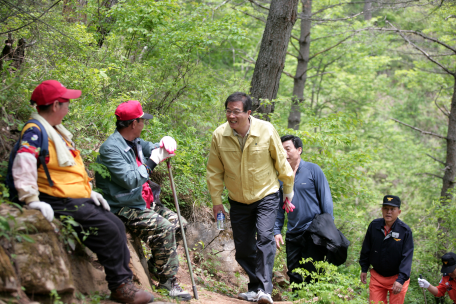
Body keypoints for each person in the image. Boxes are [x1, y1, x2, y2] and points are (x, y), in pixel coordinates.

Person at [12, 80, 154, 304]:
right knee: (108, 227)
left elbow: (70, 169)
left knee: (115, 225)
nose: (69, 106)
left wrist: (88, 191)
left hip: (73, 195)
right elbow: (24, 161)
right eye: (66, 102)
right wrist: (31, 199)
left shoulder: (56, 132)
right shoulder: (35, 130)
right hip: (57, 198)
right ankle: (120, 287)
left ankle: (124, 283)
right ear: (56, 105)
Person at [95, 100, 191, 301]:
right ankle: (168, 283)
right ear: (133, 124)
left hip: (140, 202)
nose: (144, 124)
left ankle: (155, 268)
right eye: (142, 121)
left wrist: (164, 144)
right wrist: (153, 161)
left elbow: (153, 148)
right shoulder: (111, 149)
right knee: (164, 227)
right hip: (121, 206)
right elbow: (130, 180)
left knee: (180, 224)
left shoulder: (135, 142)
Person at [206, 92, 294, 304]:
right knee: (243, 247)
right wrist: (216, 201)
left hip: (267, 195)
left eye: (236, 111)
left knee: (265, 238)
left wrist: (288, 192)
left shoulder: (266, 130)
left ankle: (265, 290)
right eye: (228, 111)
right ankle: (255, 287)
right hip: (238, 199)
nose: (231, 115)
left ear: (248, 113)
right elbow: (214, 171)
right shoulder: (220, 135)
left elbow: (281, 162)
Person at [273, 135, 334, 287]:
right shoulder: (280, 175)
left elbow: (326, 200)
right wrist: (276, 230)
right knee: (294, 274)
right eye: (282, 150)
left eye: (288, 149)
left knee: (313, 275)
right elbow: (279, 207)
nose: (285, 153)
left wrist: (328, 230)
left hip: (314, 232)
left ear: (299, 150)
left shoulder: (313, 170)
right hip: (293, 232)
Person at [359, 195, 414, 304]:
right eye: (386, 208)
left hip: (397, 278)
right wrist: (364, 268)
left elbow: (407, 257)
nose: (388, 212)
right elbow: (366, 248)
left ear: (399, 212)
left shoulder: (405, 231)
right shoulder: (374, 226)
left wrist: (401, 280)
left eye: (392, 209)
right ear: (382, 210)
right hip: (377, 276)